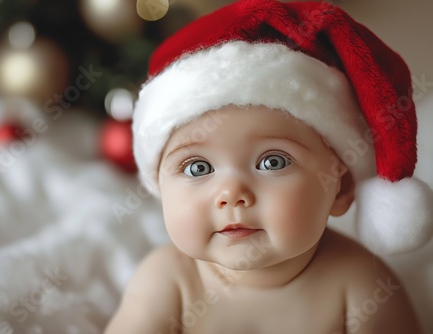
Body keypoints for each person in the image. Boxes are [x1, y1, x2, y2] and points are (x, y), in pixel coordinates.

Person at [105, 0, 433, 333]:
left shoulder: (361, 285)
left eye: (272, 162)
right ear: (159, 186)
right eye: (197, 168)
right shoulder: (168, 280)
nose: (231, 194)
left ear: (341, 187)